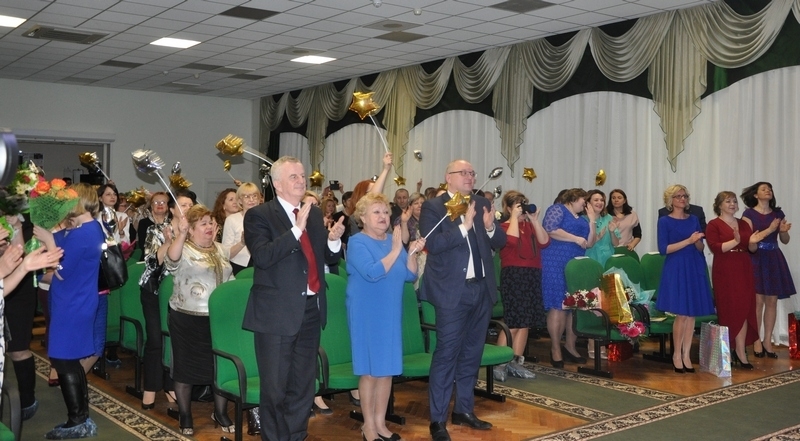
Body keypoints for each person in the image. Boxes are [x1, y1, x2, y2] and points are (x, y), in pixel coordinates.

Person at [243, 156, 345, 441]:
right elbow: (263, 257)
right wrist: (296, 230)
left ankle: (296, 436)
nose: (302, 181)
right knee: (275, 389)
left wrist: (333, 240)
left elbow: (324, 258)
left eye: (303, 176)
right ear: (277, 184)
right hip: (276, 313)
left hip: (310, 309)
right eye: (294, 177)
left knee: (303, 386)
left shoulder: (312, 213)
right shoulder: (259, 215)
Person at [419, 159, 506, 441]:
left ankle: (464, 410)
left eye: (472, 173)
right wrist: (464, 227)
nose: (470, 176)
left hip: (481, 290)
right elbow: (433, 244)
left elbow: (500, 241)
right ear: (448, 177)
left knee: (472, 354)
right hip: (452, 292)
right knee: (446, 354)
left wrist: (490, 228)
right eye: (464, 172)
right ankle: (438, 420)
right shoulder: (434, 206)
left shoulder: (481, 203)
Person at [346, 192, 424, 441]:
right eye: (376, 212)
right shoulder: (357, 242)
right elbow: (373, 272)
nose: (383, 216)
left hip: (390, 312)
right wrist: (396, 249)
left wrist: (411, 253)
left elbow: (410, 275)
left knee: (386, 369)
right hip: (367, 313)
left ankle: (380, 422)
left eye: (386, 212)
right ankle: (368, 425)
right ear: (363, 217)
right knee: (370, 371)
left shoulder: (392, 240)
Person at [33, 183, 105, 439]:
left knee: (64, 359)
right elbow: (63, 241)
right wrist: (53, 231)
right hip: (73, 301)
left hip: (74, 302)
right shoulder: (84, 228)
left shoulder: (85, 233)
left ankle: (77, 420)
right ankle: (80, 418)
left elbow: (62, 272)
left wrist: (48, 239)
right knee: (69, 359)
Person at [165, 204, 235, 435]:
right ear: (192, 229)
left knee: (219, 368)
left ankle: (220, 412)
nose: (210, 227)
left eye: (211, 222)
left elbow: (230, 278)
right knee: (185, 369)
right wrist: (181, 234)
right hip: (187, 319)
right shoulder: (183, 248)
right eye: (203, 223)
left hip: (218, 320)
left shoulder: (220, 249)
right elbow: (170, 261)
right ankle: (185, 415)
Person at [1, 217, 63, 416]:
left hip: (19, 287)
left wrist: (16, 227)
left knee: (18, 348)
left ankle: (27, 400)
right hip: (7, 279)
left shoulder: (26, 221)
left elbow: (19, 257)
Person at [655, 185, 714, 373]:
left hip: (694, 264)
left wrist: (697, 241)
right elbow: (664, 249)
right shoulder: (664, 221)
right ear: (670, 200)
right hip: (676, 266)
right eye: (678, 196)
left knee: (691, 314)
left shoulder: (694, 219)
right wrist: (688, 241)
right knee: (681, 314)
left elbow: (700, 248)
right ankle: (676, 355)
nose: (683, 199)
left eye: (685, 196)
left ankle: (686, 354)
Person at [706, 191, 767, 370]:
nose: (732, 204)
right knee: (730, 308)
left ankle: (740, 350)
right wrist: (735, 241)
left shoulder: (743, 224)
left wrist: (753, 242)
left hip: (744, 267)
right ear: (719, 205)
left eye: (734, 201)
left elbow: (751, 249)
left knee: (745, 308)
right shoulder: (713, 224)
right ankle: (731, 348)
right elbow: (716, 248)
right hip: (725, 269)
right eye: (728, 201)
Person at [494, 190, 549, 382]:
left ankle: (515, 362)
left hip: (532, 273)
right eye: (518, 205)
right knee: (513, 321)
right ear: (509, 208)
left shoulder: (530, 226)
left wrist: (534, 220)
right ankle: (499, 362)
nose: (522, 208)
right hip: (514, 274)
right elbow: (511, 241)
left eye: (523, 203)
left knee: (525, 321)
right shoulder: (502, 226)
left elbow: (544, 242)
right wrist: (514, 218)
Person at [541, 188, 596, 368]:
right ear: (573, 198)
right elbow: (550, 229)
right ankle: (555, 348)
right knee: (558, 305)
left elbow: (590, 242)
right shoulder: (558, 209)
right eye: (583, 200)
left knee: (573, 305)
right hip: (555, 262)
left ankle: (570, 347)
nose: (585, 204)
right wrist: (575, 238)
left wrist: (592, 220)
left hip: (574, 263)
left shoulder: (582, 219)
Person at [741, 181, 795, 358]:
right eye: (764, 189)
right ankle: (756, 340)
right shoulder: (748, 214)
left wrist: (783, 231)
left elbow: (785, 240)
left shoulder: (778, 213)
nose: (768, 191)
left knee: (772, 301)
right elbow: (748, 240)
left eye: (770, 189)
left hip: (773, 257)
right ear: (756, 195)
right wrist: (770, 229)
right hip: (756, 258)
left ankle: (767, 340)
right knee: (758, 302)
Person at [138, 191, 179, 411]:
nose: (186, 209)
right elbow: (151, 262)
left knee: (175, 340)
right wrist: (169, 241)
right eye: (182, 205)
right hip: (153, 289)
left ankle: (171, 385)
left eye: (189, 205)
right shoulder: (154, 229)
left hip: (178, 292)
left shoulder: (193, 231)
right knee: (155, 339)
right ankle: (151, 387)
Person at [222, 183, 260, 275]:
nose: (251, 200)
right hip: (239, 266)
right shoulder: (231, 220)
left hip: (262, 263)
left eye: (254, 196)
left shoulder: (267, 218)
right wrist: (242, 243)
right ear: (240, 200)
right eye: (247, 196)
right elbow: (225, 254)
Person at [585, 189, 614, 266]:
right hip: (589, 257)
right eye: (596, 200)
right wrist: (597, 238)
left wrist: (612, 232)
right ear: (588, 203)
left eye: (602, 200)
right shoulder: (582, 220)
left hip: (607, 258)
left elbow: (616, 243)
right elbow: (584, 243)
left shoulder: (608, 218)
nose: (600, 202)